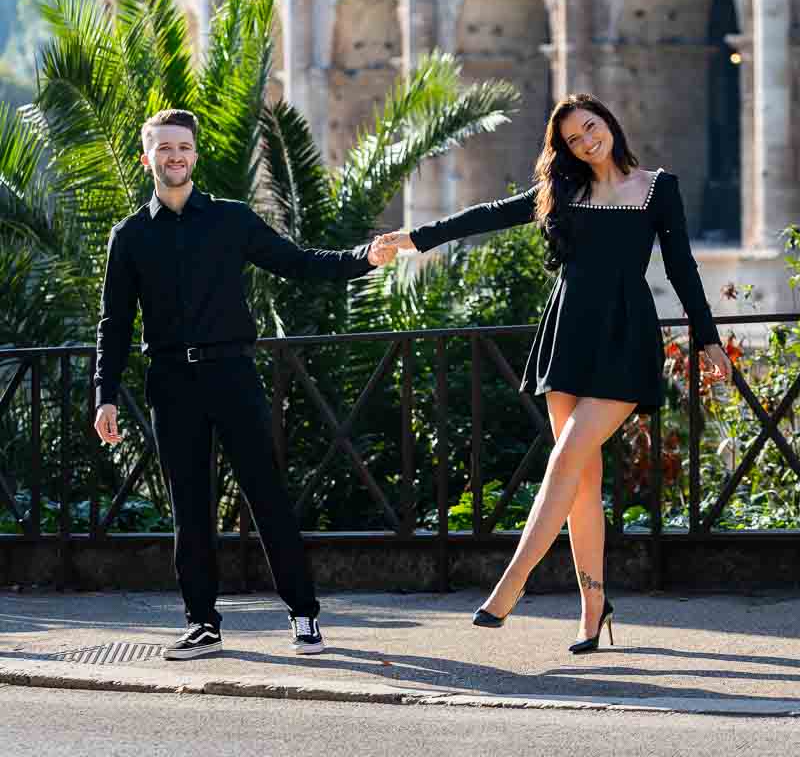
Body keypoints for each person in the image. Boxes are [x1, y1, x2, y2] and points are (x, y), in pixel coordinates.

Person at [371, 93, 732, 653]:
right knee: (581, 484)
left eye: (591, 127)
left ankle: (511, 584)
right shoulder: (562, 191)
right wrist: (415, 239)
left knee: (565, 458)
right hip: (566, 335)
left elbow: (682, 265)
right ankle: (594, 609)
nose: (587, 140)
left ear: (609, 122)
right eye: (573, 139)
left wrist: (706, 337)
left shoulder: (660, 188)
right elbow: (487, 215)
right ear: (563, 150)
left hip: (624, 337)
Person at [94, 108, 383, 660]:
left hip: (233, 374)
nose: (174, 156)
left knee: (266, 495)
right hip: (171, 382)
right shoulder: (128, 237)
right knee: (190, 508)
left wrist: (361, 258)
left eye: (183, 146)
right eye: (163, 147)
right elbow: (115, 323)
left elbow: (297, 263)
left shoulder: (231, 219)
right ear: (146, 156)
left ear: (195, 154)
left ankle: (304, 616)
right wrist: (104, 394)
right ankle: (201, 622)